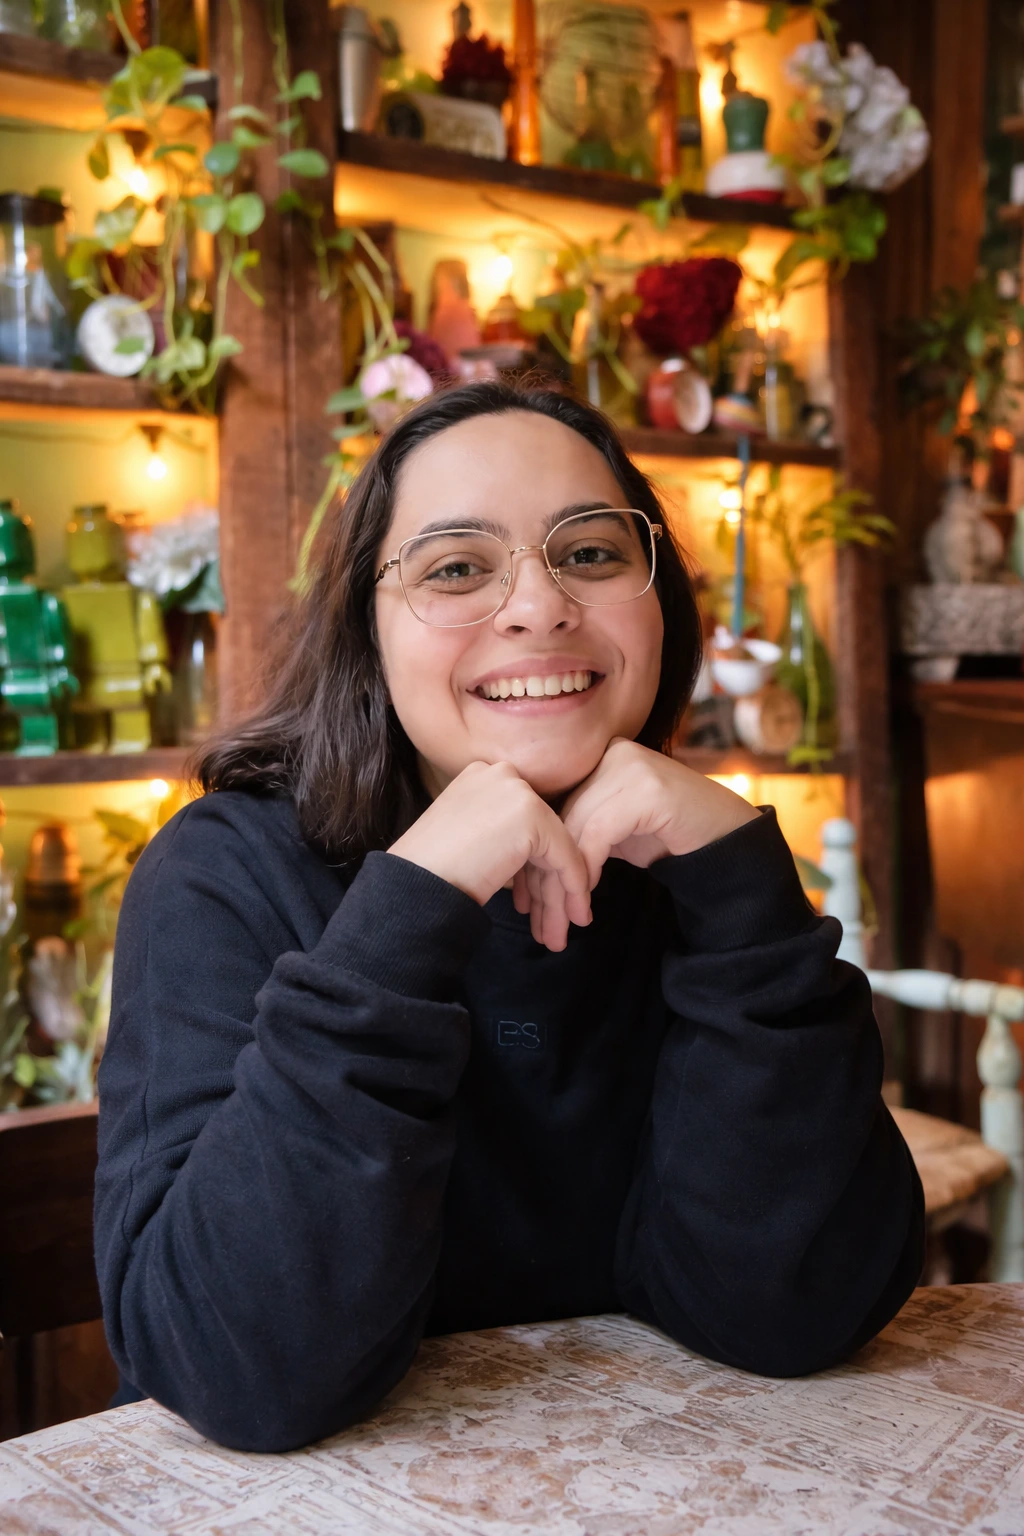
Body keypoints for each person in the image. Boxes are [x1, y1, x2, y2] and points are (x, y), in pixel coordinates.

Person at [94, 381, 924, 1454]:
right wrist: (411, 907)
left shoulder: (691, 875)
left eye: (589, 554)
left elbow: (795, 1314)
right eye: (454, 569)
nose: (537, 607)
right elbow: (240, 1372)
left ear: (659, 601)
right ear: (367, 632)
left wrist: (744, 895)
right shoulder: (221, 874)